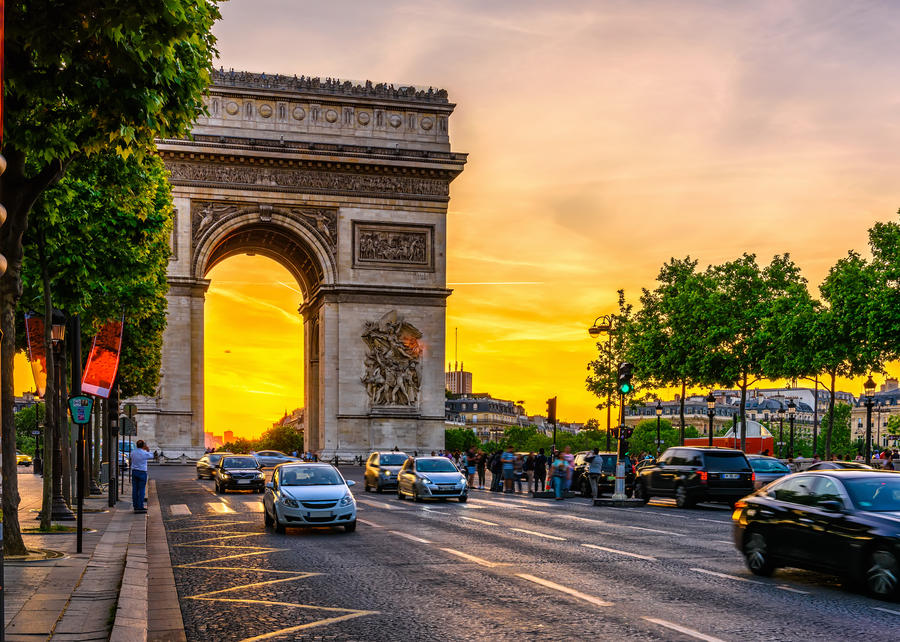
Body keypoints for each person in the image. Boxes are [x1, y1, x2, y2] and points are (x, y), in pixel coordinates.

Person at [130, 439, 153, 514]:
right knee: (142, 490)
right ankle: (140, 506)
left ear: (136, 445)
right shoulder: (144, 453)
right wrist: (147, 449)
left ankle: (135, 506)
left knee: (135, 490)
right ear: (143, 445)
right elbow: (152, 455)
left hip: (134, 471)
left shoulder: (133, 452)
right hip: (142, 472)